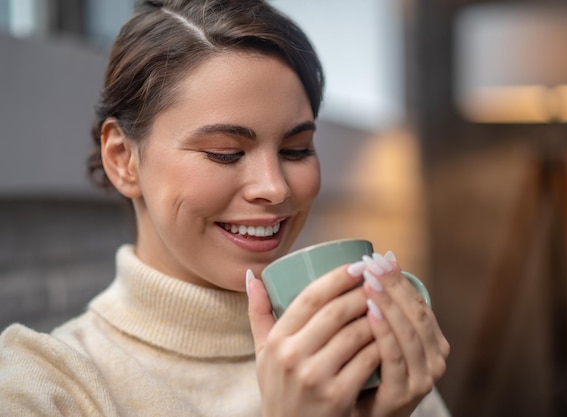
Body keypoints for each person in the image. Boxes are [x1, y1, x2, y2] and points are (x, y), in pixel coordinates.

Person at [0, 0, 450, 416]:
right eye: (224, 152)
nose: (274, 188)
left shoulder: (369, 351)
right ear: (122, 159)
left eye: (296, 149)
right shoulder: (44, 387)